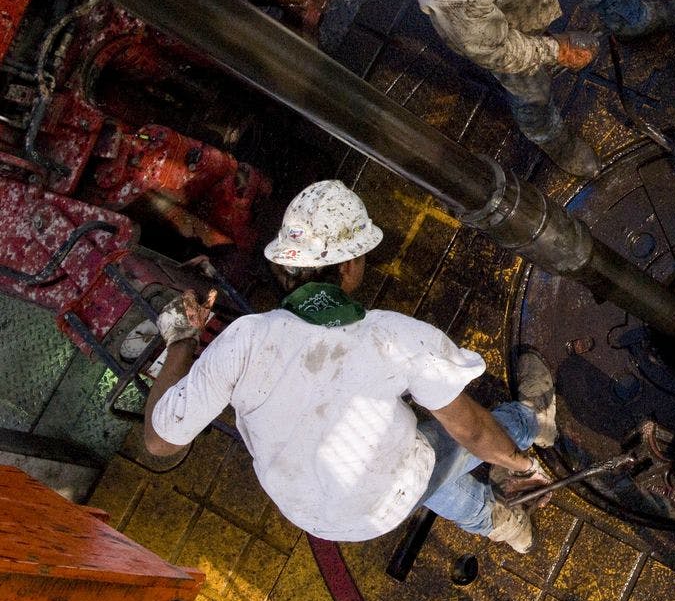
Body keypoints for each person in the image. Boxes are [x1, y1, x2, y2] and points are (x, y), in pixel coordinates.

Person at [143, 180, 559, 553]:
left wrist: (182, 338)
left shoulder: (243, 340)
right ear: (347, 266)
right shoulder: (391, 337)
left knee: (411, 470)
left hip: (317, 518)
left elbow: (160, 443)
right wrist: (523, 466)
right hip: (387, 489)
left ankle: (499, 523)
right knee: (457, 436)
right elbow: (471, 430)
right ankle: (534, 419)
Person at [417, 0, 675, 177]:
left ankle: (633, 19)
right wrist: (556, 50)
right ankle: (550, 136)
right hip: (495, 23)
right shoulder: (454, 0)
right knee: (530, 87)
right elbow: (495, 49)